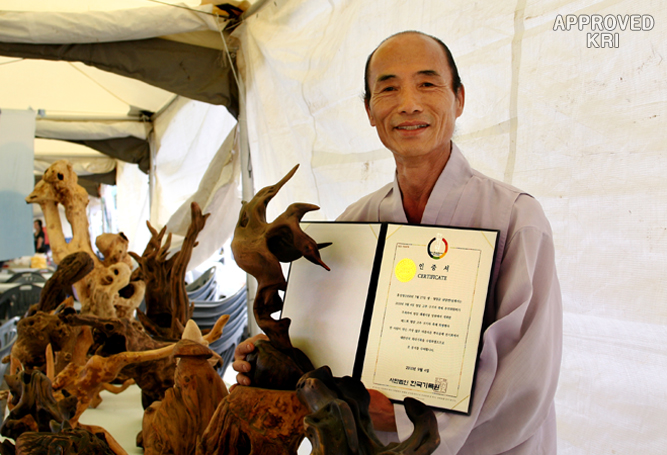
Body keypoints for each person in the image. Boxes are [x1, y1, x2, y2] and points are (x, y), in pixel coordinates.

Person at [234, 31, 562, 454]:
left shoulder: (515, 219)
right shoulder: (354, 226)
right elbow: (318, 342)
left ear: (459, 98)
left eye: (427, 83)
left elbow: (526, 378)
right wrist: (270, 356)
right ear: (369, 110)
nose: (409, 103)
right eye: (388, 88)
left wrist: (405, 416)